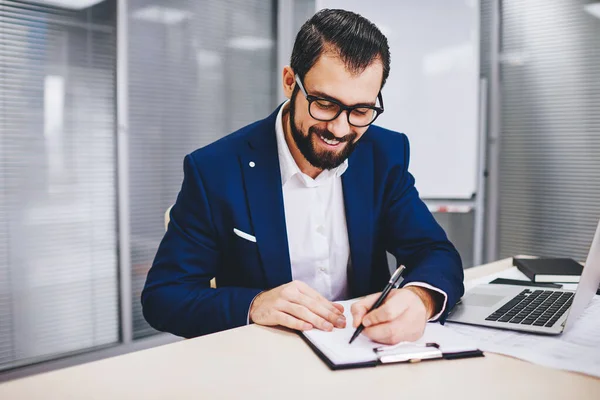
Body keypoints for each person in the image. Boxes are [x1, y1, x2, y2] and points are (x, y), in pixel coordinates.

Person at [142, 9, 464, 345]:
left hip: (363, 353)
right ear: (289, 82)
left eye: (360, 111)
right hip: (266, 362)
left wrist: (419, 299)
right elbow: (164, 297)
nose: (340, 129)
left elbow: (435, 252)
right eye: (324, 104)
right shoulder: (216, 170)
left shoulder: (383, 154)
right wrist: (254, 305)